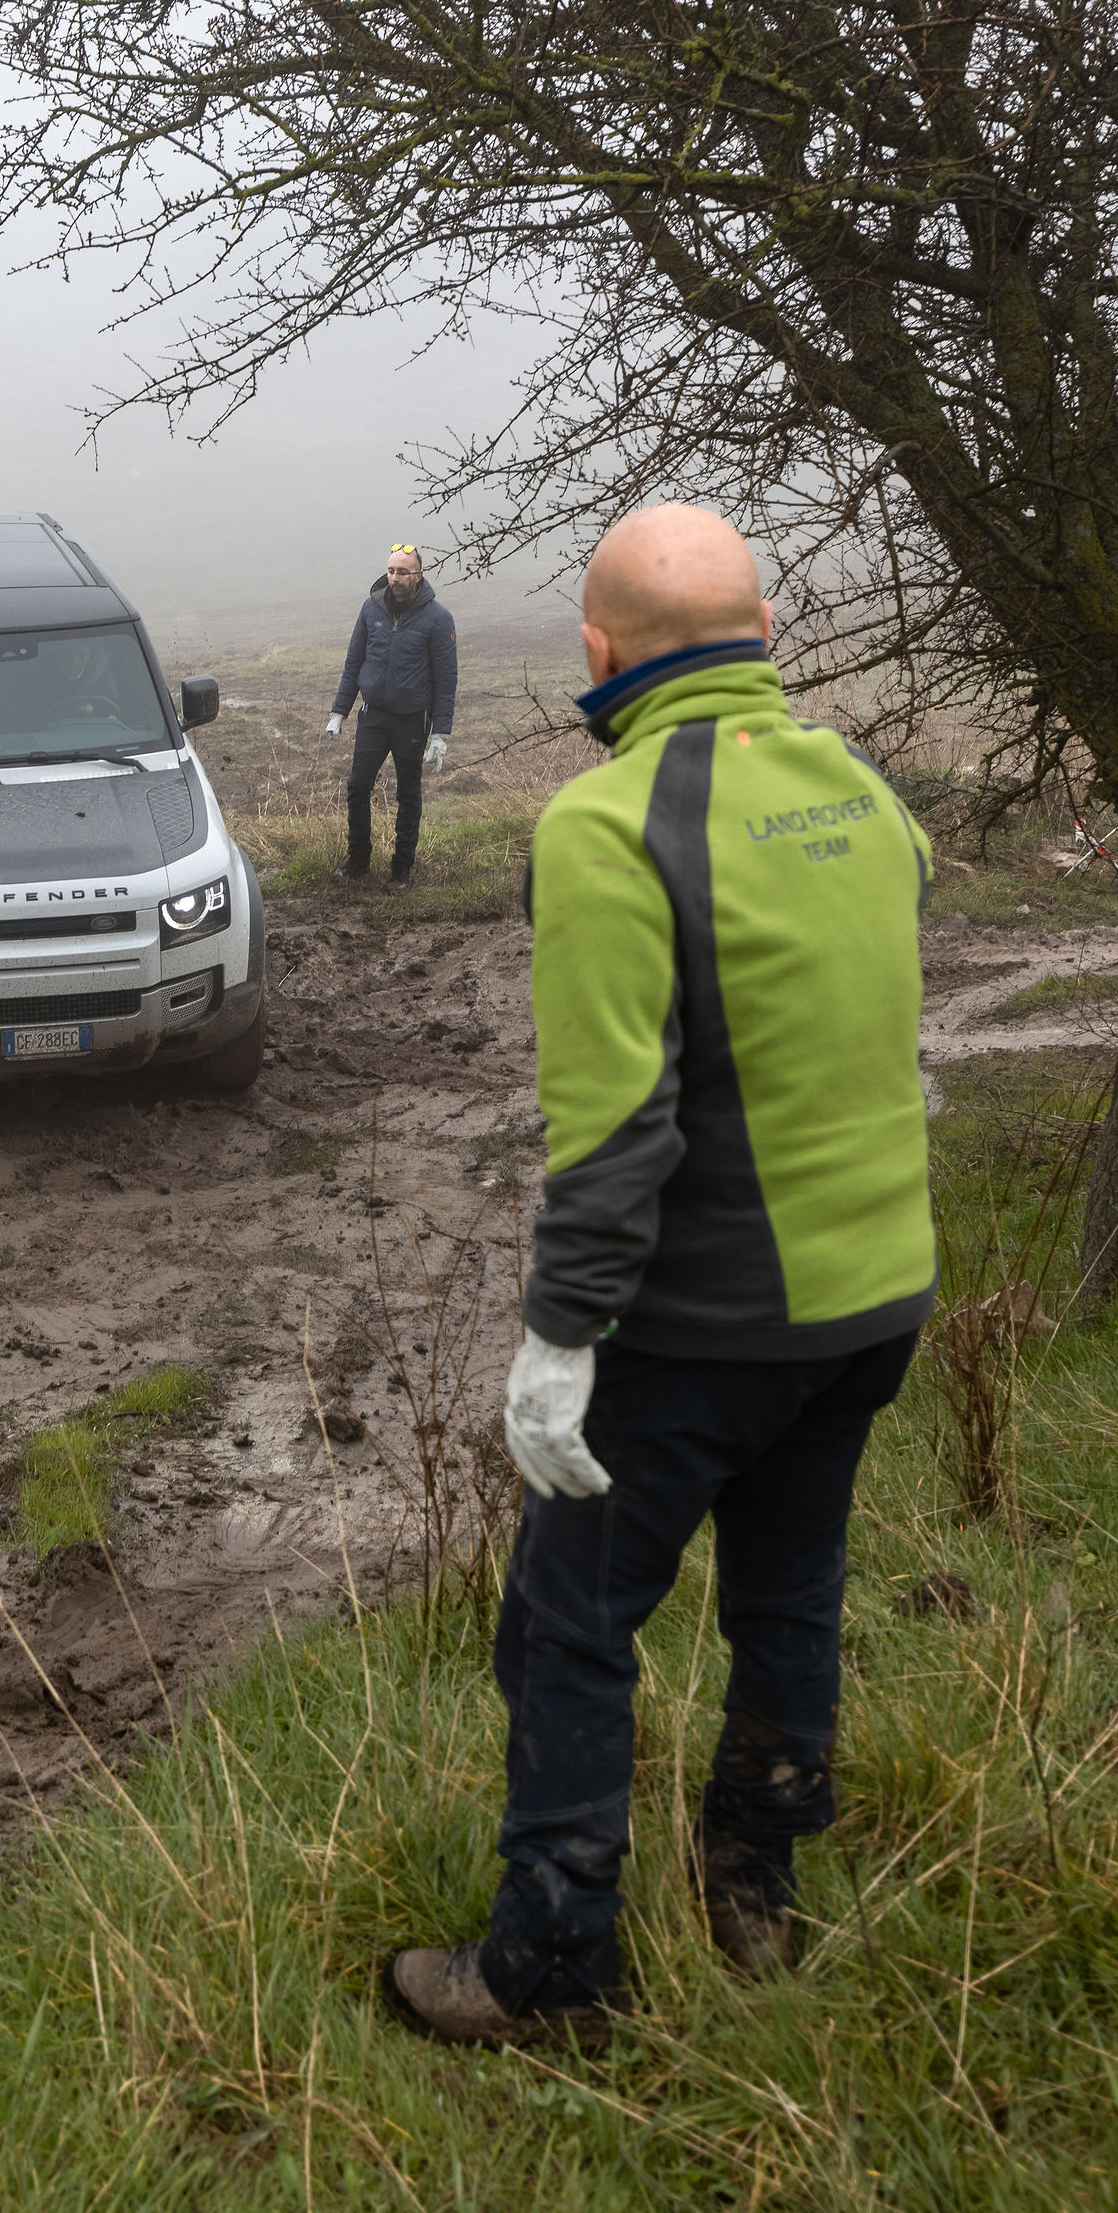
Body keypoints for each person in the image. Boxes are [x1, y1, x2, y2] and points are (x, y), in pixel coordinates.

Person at [381, 501, 934, 2049]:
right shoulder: (870, 795)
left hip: (706, 1327)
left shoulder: (606, 826)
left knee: (567, 1627)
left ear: (597, 652)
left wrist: (561, 1339)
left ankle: (550, 1973)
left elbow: (615, 1134)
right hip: (877, 1301)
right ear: (765, 636)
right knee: (791, 1590)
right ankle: (755, 1898)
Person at [325, 544, 458, 887]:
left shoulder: (438, 619)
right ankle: (358, 860)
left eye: (403, 572)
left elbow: (446, 679)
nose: (395, 578)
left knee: (408, 793)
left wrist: (440, 734)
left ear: (419, 576)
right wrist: (340, 711)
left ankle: (401, 868)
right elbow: (354, 661)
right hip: (373, 716)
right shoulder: (371, 609)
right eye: (392, 571)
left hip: (413, 720)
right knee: (357, 786)